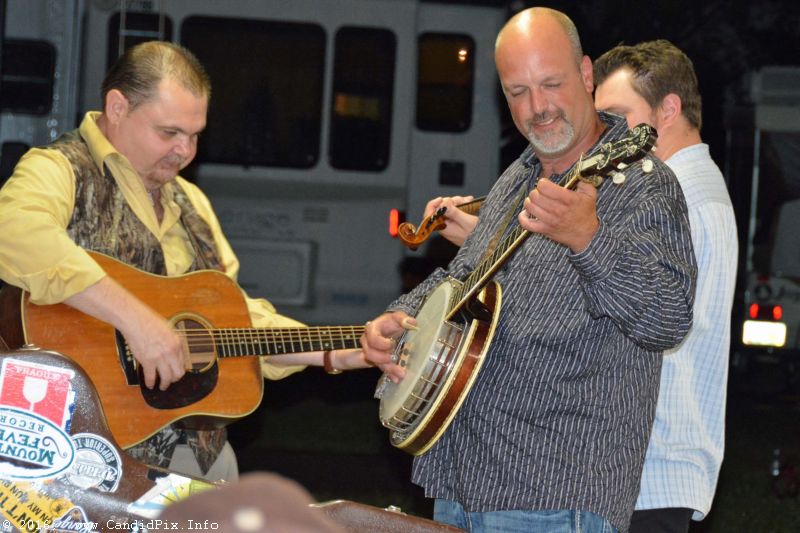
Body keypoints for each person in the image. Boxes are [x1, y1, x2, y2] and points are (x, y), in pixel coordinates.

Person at [361, 7, 697, 533]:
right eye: (518, 91)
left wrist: (589, 239)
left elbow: (668, 318)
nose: (538, 107)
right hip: (462, 483)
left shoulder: (642, 184)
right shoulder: (517, 177)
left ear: (585, 75)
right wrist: (399, 318)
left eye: (551, 84)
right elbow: (460, 278)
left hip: (557, 498)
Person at [0, 41, 369, 482]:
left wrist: (332, 351)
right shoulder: (58, 169)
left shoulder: (193, 202)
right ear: (117, 107)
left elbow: (233, 319)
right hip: (79, 454)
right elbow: (15, 233)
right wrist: (139, 323)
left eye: (195, 135)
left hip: (196, 455)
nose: (185, 150)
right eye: (169, 132)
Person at [593, 40, 738, 533]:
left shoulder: (682, 198)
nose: (605, 133)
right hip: (650, 469)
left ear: (668, 110)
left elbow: (637, 308)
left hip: (649, 467)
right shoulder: (684, 190)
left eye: (618, 116)